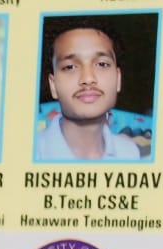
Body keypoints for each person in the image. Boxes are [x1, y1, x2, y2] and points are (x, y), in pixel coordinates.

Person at [35, 20, 141, 161]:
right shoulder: (31, 153)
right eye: (70, 67)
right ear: (53, 85)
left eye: (102, 64)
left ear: (118, 79)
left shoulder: (129, 153)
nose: (88, 78)